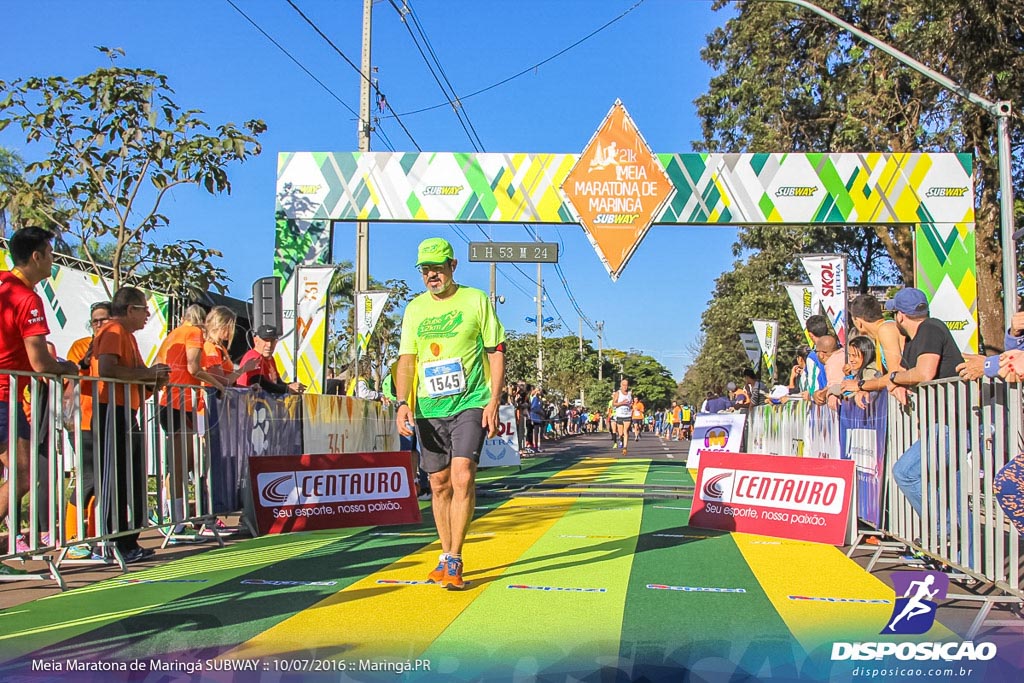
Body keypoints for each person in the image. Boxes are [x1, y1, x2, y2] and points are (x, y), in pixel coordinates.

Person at [393, 237, 506, 591]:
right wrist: (402, 402)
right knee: (438, 484)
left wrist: (493, 401)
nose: (431, 275)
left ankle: (456, 557)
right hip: (429, 406)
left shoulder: (475, 300)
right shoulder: (414, 309)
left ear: (452, 266)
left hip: (470, 401)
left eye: (437, 267)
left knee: (462, 476)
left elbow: (496, 351)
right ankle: (445, 555)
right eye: (425, 269)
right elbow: (407, 360)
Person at [0, 227, 79, 568]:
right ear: (36, 256)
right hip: (4, 394)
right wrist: (69, 369)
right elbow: (39, 361)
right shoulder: (27, 298)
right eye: (50, 253)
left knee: (20, 470)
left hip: (10, 394)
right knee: (23, 471)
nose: (53, 261)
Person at [92, 286, 170, 564]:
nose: (148, 315)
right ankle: (115, 542)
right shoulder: (113, 331)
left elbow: (134, 375)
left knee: (131, 476)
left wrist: (152, 380)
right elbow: (108, 370)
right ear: (129, 310)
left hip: (127, 409)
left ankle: (128, 540)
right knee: (117, 477)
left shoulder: (126, 335)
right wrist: (147, 374)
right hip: (112, 410)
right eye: (144, 310)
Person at [885, 287, 964, 516]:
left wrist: (894, 378)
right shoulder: (916, 340)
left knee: (905, 473)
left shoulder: (931, 327)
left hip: (951, 422)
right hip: (942, 421)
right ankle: (959, 545)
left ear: (900, 315)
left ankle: (943, 529)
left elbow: (924, 373)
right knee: (951, 490)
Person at [156, 304, 225, 541]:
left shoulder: (172, 334)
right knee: (180, 465)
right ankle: (172, 521)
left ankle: (174, 518)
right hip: (177, 402)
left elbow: (159, 364)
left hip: (175, 403)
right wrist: (218, 384)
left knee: (182, 464)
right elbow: (193, 367)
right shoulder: (192, 333)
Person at [63, 300, 112, 560]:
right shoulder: (81, 345)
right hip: (83, 420)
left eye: (104, 320)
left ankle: (95, 537)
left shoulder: (116, 345)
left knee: (103, 480)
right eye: (95, 321)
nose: (99, 325)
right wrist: (84, 360)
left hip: (109, 419)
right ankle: (72, 538)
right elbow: (70, 379)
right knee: (89, 478)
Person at [236, 325, 305, 394]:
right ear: (256, 341)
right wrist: (287, 388)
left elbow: (277, 383)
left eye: (272, 341)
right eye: (265, 340)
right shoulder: (254, 356)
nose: (269, 345)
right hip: (248, 401)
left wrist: (293, 386)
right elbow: (261, 383)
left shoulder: (270, 359)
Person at [611, 378, 633, 455]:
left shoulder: (630, 394)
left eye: (626, 385)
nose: (625, 387)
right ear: (621, 385)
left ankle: (625, 448)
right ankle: (621, 439)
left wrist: (631, 406)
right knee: (620, 433)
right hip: (620, 415)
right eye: (623, 385)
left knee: (626, 431)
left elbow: (631, 403)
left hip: (628, 415)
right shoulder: (618, 393)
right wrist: (622, 403)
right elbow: (614, 404)